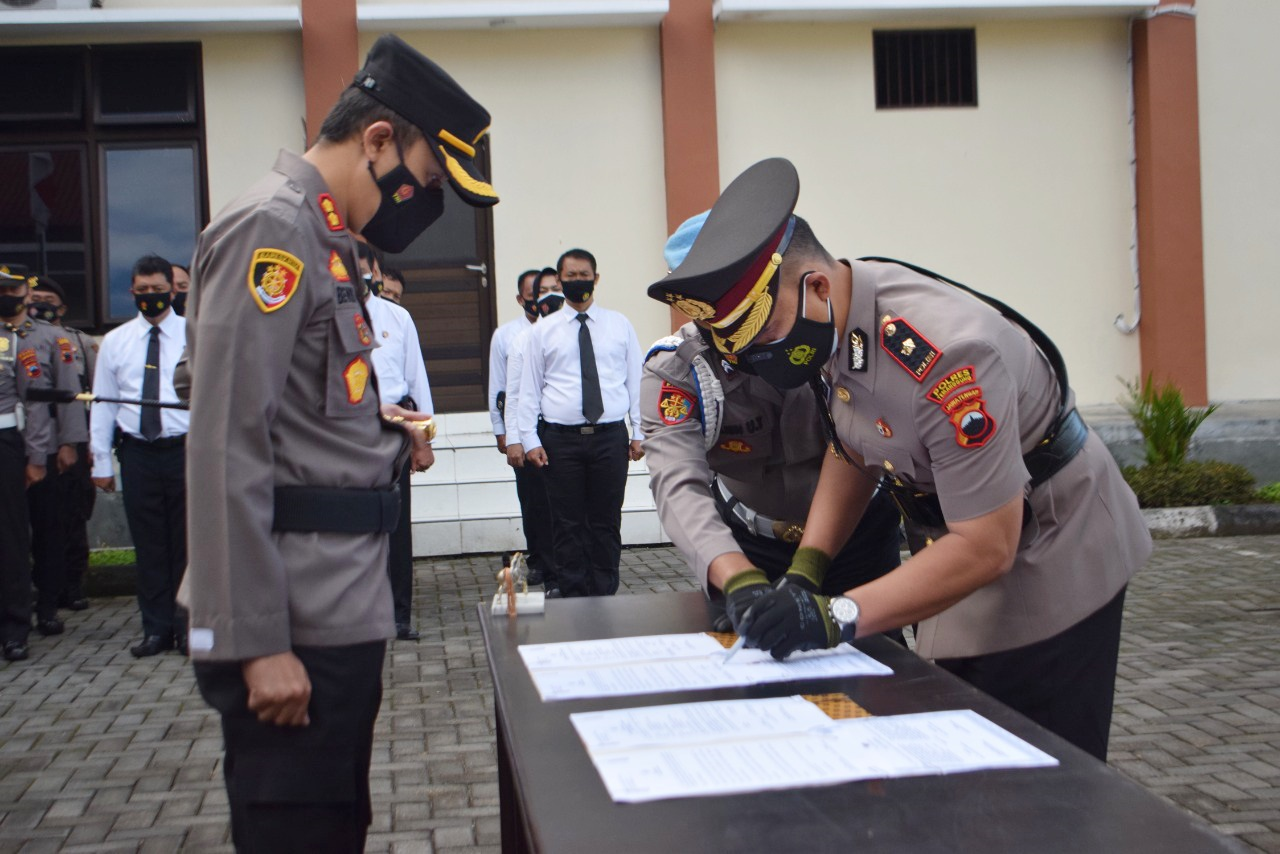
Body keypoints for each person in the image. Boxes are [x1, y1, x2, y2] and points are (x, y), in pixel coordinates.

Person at [647, 158, 1151, 761]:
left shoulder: (947, 356)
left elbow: (989, 545)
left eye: (763, 333)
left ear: (815, 285)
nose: (759, 356)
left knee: (1035, 765)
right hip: (955, 539)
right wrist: (808, 570)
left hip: (1049, 549)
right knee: (957, 747)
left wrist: (835, 614)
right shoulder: (831, 320)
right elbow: (853, 446)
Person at [181, 34, 495, 852]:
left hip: (337, 607)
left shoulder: (326, 241)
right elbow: (223, 442)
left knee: (333, 826)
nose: (423, 207)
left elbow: (290, 406)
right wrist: (255, 645)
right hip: (297, 626)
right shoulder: (272, 232)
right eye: (426, 184)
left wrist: (374, 430)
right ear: (379, 140)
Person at [643, 214, 903, 639]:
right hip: (746, 546)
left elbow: (868, 443)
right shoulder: (680, 367)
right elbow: (678, 483)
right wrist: (737, 579)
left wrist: (808, 570)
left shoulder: (827, 333)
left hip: (858, 539)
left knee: (877, 672)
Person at [517, 249, 643, 598]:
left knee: (606, 522)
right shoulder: (543, 331)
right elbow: (529, 388)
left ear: (596, 278)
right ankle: (573, 596)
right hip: (560, 441)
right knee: (566, 523)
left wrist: (640, 432)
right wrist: (529, 439)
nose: (578, 282)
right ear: (559, 281)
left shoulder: (620, 325)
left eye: (583, 274)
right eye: (570, 276)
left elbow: (635, 381)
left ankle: (605, 593)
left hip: (610, 438)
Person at [91, 254, 190, 658]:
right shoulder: (115, 342)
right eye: (143, 290)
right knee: (149, 546)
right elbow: (102, 404)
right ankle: (156, 629)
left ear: (172, 288)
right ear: (132, 291)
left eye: (158, 289)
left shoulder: (194, 333)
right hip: (138, 453)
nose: (151, 297)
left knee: (187, 545)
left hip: (185, 450)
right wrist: (100, 461)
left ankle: (190, 628)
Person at [354, 239, 434, 641]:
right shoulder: (322, 315)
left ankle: (399, 615)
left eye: (364, 266)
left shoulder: (396, 318)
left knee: (396, 525)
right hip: (346, 434)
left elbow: (415, 376)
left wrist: (424, 438)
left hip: (393, 431)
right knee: (353, 524)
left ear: (376, 272)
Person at [0, 263, 81, 661]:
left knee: (44, 529)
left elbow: (60, 395)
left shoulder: (51, 339)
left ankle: (43, 608)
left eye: (12, 289)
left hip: (39, 444)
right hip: (14, 444)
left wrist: (68, 444)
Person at [27, 275, 96, 614]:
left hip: (68, 440)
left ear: (63, 308)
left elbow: (92, 395)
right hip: (28, 443)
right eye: (34, 298)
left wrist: (83, 443)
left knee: (70, 516)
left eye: (48, 301)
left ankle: (71, 585)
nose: (40, 305)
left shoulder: (77, 343)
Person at [501, 268, 561, 591]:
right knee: (541, 506)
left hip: (569, 431)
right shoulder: (523, 339)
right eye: (545, 290)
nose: (552, 295)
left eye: (557, 288)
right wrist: (514, 439)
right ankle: (552, 573)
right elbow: (514, 393)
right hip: (534, 431)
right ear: (534, 300)